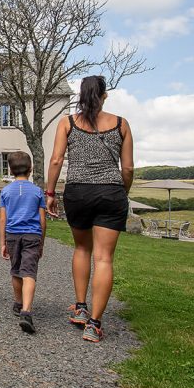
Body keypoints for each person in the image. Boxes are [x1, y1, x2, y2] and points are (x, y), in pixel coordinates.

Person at [45, 75, 134, 343]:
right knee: (104, 258)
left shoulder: (68, 123)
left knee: (82, 249)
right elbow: (128, 168)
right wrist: (122, 191)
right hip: (111, 191)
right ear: (104, 96)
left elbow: (57, 159)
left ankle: (81, 308)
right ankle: (94, 325)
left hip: (78, 192)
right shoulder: (121, 124)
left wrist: (50, 193)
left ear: (81, 96)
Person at [0, 151, 46, 334]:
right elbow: (42, 220)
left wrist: (3, 242)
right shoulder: (37, 191)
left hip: (12, 235)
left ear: (10, 170)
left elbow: (3, 219)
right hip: (32, 235)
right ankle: (27, 310)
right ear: (31, 169)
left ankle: (18, 303)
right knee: (29, 273)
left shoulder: (5, 191)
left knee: (16, 270)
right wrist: (41, 242)